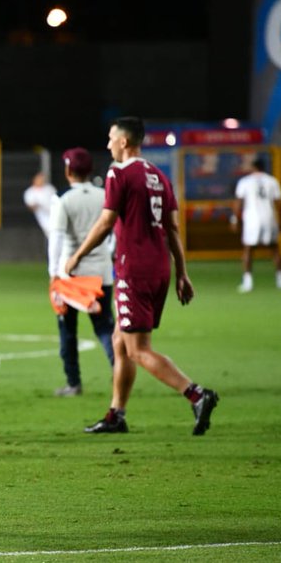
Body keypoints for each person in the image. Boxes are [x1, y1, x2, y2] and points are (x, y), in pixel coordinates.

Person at [64, 116, 218, 436]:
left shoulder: (119, 173)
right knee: (121, 341)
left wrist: (77, 256)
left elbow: (107, 222)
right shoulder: (160, 176)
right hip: (159, 266)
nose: (107, 144)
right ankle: (116, 415)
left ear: (124, 141)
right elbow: (173, 229)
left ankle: (196, 394)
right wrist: (182, 274)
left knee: (138, 349)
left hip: (133, 268)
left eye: (110, 138)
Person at [47, 147, 115, 397]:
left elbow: (56, 237)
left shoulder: (62, 198)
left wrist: (53, 272)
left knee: (68, 331)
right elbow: (114, 231)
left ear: (67, 170)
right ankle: (119, 371)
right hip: (102, 273)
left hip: (71, 276)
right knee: (105, 327)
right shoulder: (105, 194)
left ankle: (73, 383)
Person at [232, 158, 281, 292]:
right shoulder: (272, 181)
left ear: (253, 168)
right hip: (269, 218)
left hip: (252, 220)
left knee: (248, 250)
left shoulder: (245, 182)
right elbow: (279, 203)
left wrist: (234, 219)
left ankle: (248, 282)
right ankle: (280, 280)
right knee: (275, 249)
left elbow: (238, 203)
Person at [24, 171, 58, 238]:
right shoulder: (30, 192)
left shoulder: (50, 188)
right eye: (39, 178)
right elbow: (30, 206)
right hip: (44, 217)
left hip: (55, 213)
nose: (41, 180)